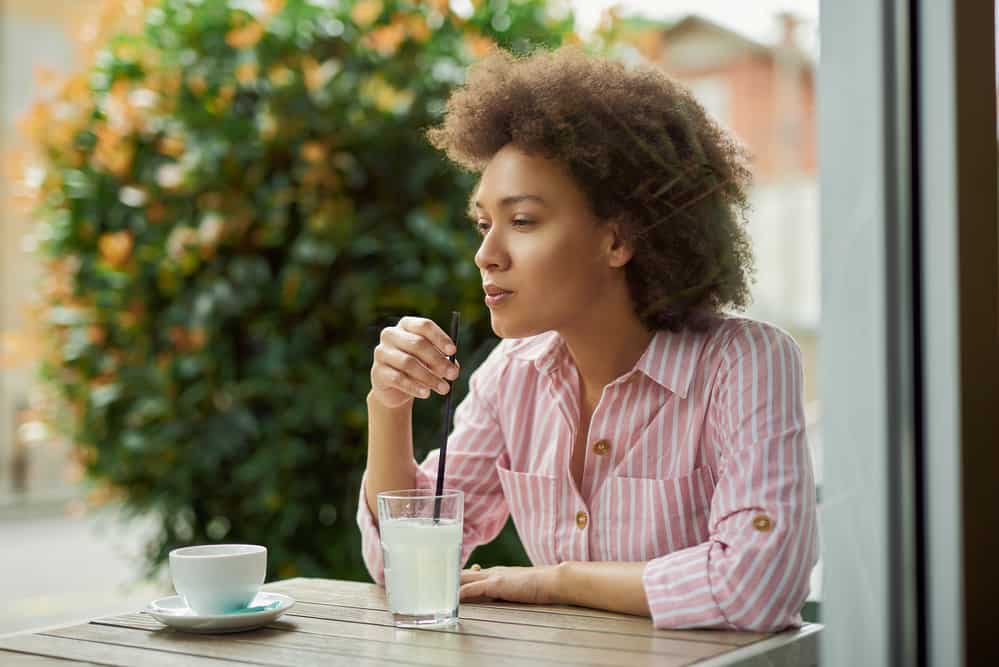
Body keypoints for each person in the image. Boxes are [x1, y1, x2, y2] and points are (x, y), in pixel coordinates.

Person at [357, 46, 818, 631]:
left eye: (521, 221)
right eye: (483, 223)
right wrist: (389, 406)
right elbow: (400, 567)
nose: (486, 255)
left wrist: (556, 581)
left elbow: (759, 586)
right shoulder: (511, 372)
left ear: (618, 240)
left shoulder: (742, 363)